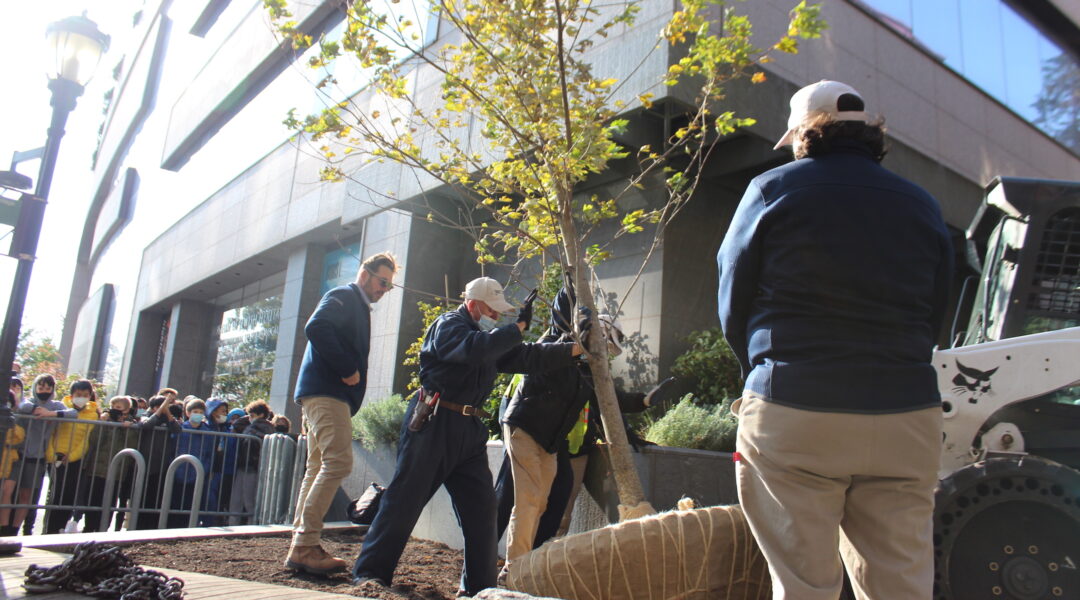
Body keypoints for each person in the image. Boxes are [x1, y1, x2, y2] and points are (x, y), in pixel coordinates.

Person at [716, 80, 953, 599]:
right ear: (868, 134)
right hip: (906, 413)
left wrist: (757, 373)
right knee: (902, 585)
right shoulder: (923, 205)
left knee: (803, 586)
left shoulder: (772, 190)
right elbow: (935, 312)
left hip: (795, 407)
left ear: (804, 134)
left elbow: (733, 296)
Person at [352, 276, 581, 596]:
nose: (498, 317)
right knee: (404, 503)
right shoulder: (448, 326)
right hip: (433, 423)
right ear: (472, 304)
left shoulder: (488, 339)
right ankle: (369, 576)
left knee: (483, 511)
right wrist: (514, 330)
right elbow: (473, 350)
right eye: (492, 309)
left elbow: (526, 357)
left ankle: (478, 588)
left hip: (468, 430)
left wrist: (573, 349)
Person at [498, 287, 672, 575]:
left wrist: (644, 400)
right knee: (527, 502)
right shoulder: (557, 344)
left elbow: (609, 398)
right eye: (603, 340)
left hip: (552, 442)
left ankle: (530, 566)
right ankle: (513, 572)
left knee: (541, 503)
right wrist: (572, 285)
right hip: (525, 430)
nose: (606, 348)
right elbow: (558, 325)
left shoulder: (586, 370)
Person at [286, 252, 398, 575]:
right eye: (382, 282)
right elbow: (317, 326)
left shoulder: (355, 302)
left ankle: (301, 542)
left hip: (323, 394)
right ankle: (305, 545)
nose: (383, 290)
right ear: (365, 274)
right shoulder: (344, 295)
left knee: (318, 465)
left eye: (388, 287)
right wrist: (347, 368)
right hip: (327, 393)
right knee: (338, 462)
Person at [12, 375, 79, 534]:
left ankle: (20, 529)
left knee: (28, 497)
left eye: (48, 388)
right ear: (35, 388)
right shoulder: (29, 402)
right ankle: (6, 528)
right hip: (18, 456)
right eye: (41, 388)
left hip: (37, 459)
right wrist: (36, 410)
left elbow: (73, 414)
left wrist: (51, 414)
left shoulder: (56, 405)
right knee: (10, 494)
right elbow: (22, 407)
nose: (44, 391)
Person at [83, 396, 140, 532]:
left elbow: (131, 445)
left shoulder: (131, 424)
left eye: (119, 408)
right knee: (92, 502)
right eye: (114, 407)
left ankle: (102, 531)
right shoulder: (104, 420)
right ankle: (88, 529)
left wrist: (126, 428)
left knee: (108, 504)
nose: (115, 410)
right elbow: (95, 440)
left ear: (127, 410)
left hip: (116, 473)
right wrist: (102, 424)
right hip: (96, 469)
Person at [133, 394, 181, 530]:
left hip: (162, 466)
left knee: (157, 499)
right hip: (145, 465)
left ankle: (153, 527)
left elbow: (178, 429)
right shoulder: (146, 416)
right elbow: (147, 425)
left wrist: (168, 414)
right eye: (160, 407)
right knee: (142, 498)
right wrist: (161, 409)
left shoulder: (168, 419)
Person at [169, 397, 216, 527]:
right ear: (188, 413)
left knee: (193, 505)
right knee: (176, 504)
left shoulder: (208, 433)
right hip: (178, 474)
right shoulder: (180, 429)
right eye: (195, 411)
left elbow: (209, 454)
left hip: (198, 475)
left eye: (201, 412)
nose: (198, 414)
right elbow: (172, 451)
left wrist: (204, 470)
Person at [229, 400, 275, 525]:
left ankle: (249, 525)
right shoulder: (265, 427)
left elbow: (238, 426)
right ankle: (247, 525)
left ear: (260, 415)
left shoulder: (260, 428)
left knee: (247, 500)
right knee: (242, 499)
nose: (249, 418)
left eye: (252, 415)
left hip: (252, 466)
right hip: (249, 466)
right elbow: (238, 425)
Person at [0, 391, 26, 536]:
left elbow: (17, 438)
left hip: (11, 461)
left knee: (6, 493)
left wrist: (8, 425)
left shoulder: (17, 418)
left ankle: (4, 530)